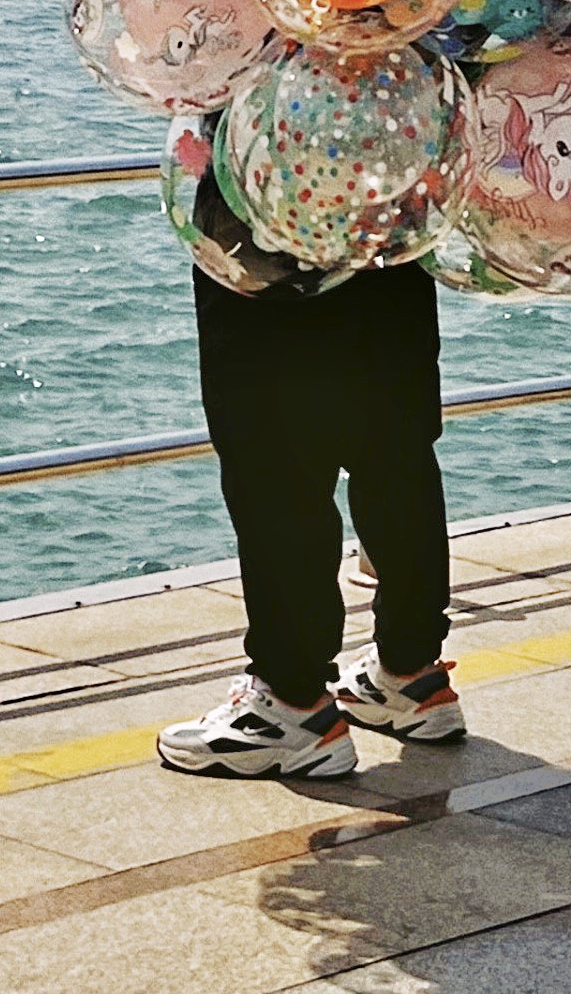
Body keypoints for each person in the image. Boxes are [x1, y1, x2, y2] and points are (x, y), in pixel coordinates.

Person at [155, 169, 466, 778]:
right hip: (392, 200)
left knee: (276, 468)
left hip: (267, 214)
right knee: (394, 450)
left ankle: (292, 704)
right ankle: (410, 673)